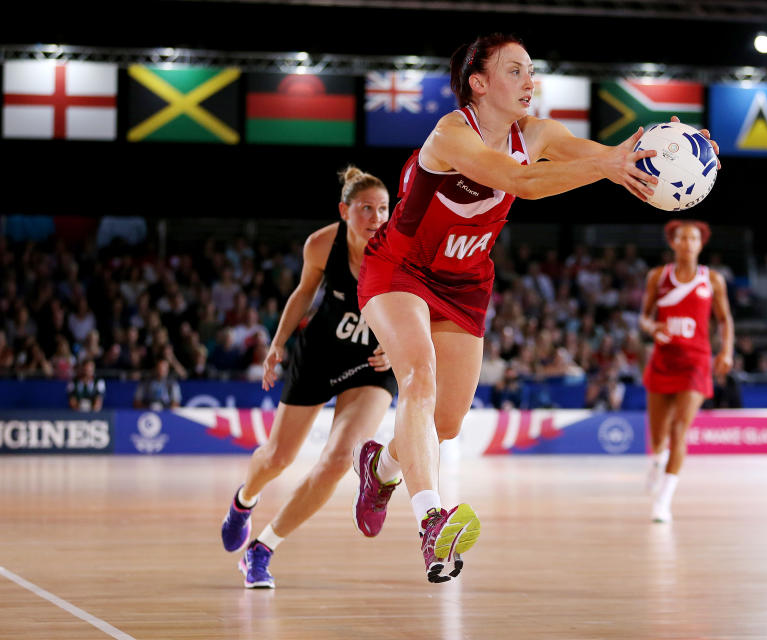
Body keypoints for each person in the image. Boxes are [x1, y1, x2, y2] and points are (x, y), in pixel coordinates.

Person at [353, 33, 721, 581]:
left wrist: (672, 151)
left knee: (445, 424)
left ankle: (380, 467)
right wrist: (609, 166)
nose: (530, 82)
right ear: (479, 84)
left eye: (532, 71)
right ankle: (431, 518)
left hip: (465, 283)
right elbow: (521, 182)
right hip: (400, 268)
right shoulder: (453, 132)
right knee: (419, 376)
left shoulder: (540, 132)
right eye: (515, 71)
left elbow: (605, 157)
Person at [220, 167, 397, 590]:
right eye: (366, 209)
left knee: (338, 461)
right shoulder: (322, 243)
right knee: (278, 458)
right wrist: (278, 343)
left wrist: (396, 346)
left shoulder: (399, 250)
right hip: (319, 354)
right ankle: (244, 500)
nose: (376, 218)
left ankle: (261, 550)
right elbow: (303, 293)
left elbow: (421, 306)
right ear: (344, 210)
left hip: (371, 364)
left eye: (384, 209)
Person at [640, 220, 734, 523]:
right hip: (663, 359)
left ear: (701, 244)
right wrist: (653, 327)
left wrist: (727, 351)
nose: (687, 243)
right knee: (657, 438)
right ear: (673, 243)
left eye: (693, 239)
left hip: (696, 362)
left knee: (680, 429)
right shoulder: (658, 276)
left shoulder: (712, 279)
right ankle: (657, 462)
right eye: (682, 238)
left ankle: (664, 501)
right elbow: (643, 317)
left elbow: (725, 320)